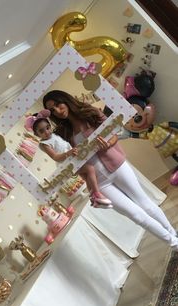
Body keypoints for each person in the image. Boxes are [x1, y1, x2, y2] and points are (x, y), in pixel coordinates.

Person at [42, 89, 178, 251]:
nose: (57, 110)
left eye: (58, 104)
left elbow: (116, 130)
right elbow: (66, 159)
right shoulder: (61, 133)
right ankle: (174, 243)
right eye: (52, 110)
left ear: (66, 100)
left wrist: (110, 142)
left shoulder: (89, 112)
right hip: (99, 181)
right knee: (135, 215)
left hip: (117, 165)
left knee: (145, 204)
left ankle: (172, 234)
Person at [24, 109, 112, 207]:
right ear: (36, 134)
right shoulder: (44, 144)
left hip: (73, 158)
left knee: (87, 177)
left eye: (47, 128)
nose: (47, 132)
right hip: (67, 164)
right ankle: (97, 194)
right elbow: (55, 157)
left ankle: (93, 198)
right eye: (42, 131)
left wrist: (72, 151)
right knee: (90, 169)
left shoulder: (54, 135)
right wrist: (68, 153)